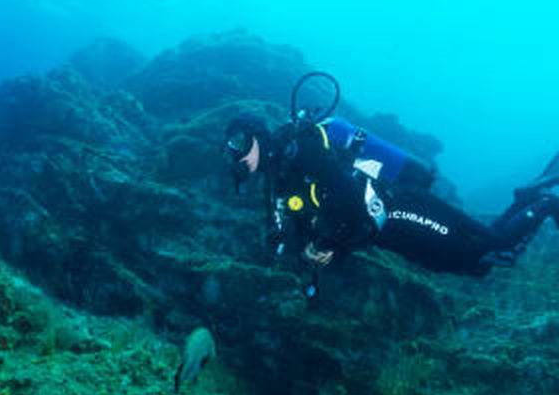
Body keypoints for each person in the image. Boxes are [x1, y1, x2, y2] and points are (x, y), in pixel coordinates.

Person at [223, 73, 559, 282]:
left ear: (257, 136)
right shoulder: (279, 180)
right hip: (386, 230)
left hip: (399, 205)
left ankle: (545, 200)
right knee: (473, 266)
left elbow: (348, 202)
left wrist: (327, 245)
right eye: (230, 150)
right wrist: (316, 251)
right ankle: (530, 197)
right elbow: (311, 232)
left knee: (492, 249)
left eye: (240, 143)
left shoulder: (302, 150)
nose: (236, 155)